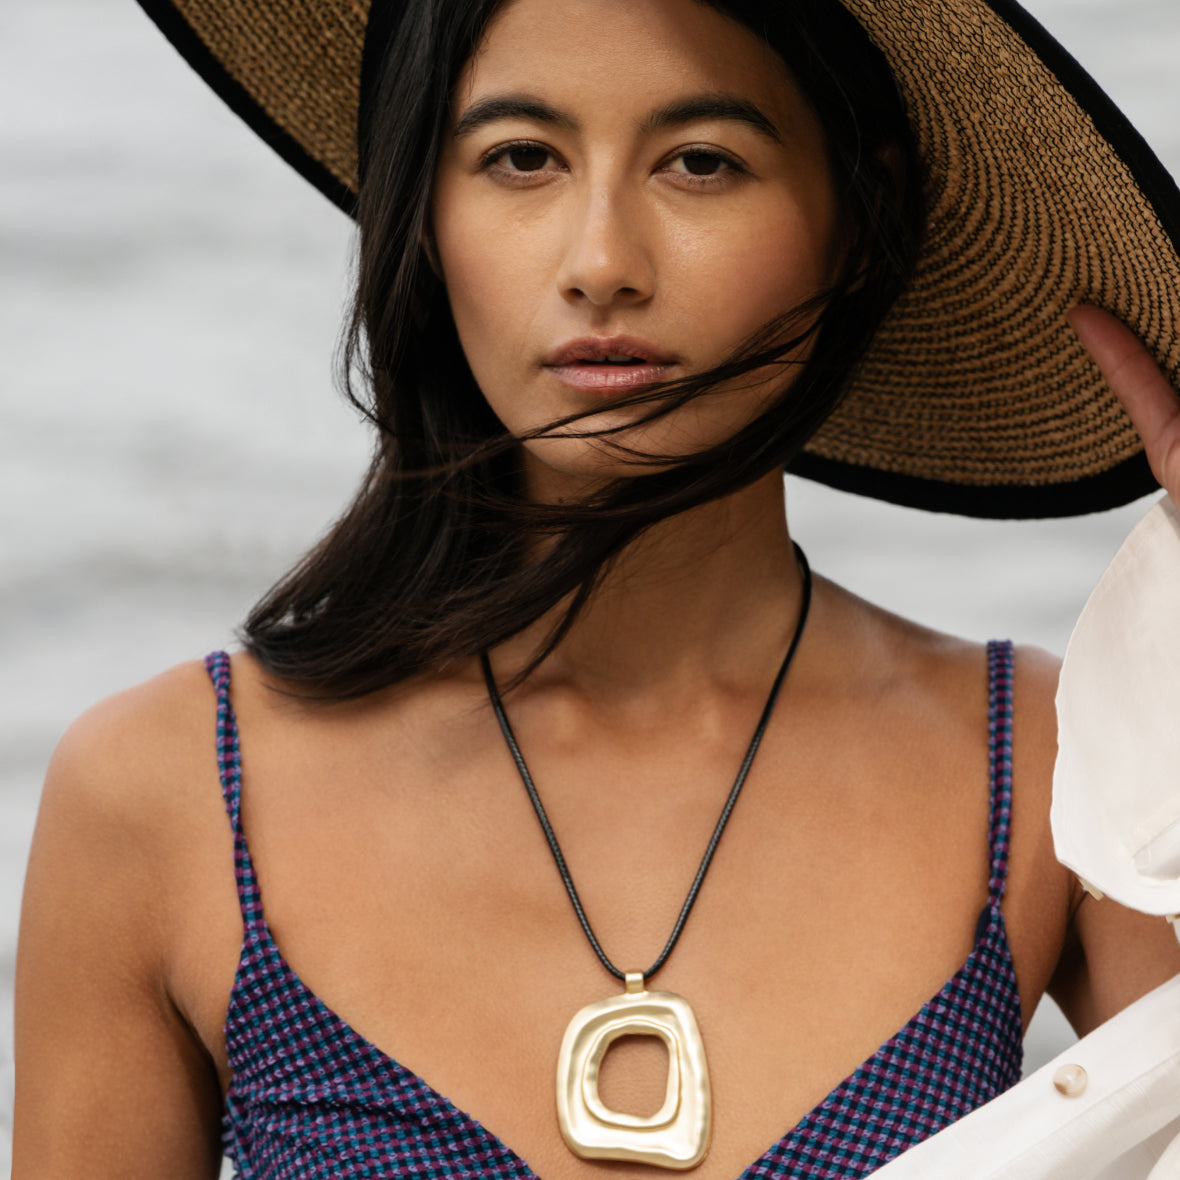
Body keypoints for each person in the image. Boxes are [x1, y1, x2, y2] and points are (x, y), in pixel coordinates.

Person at [12, 0, 1180, 1176]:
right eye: (521, 158)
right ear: (423, 207)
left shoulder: (1058, 772)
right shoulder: (167, 799)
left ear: (860, 223)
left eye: (700, 162)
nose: (601, 264)